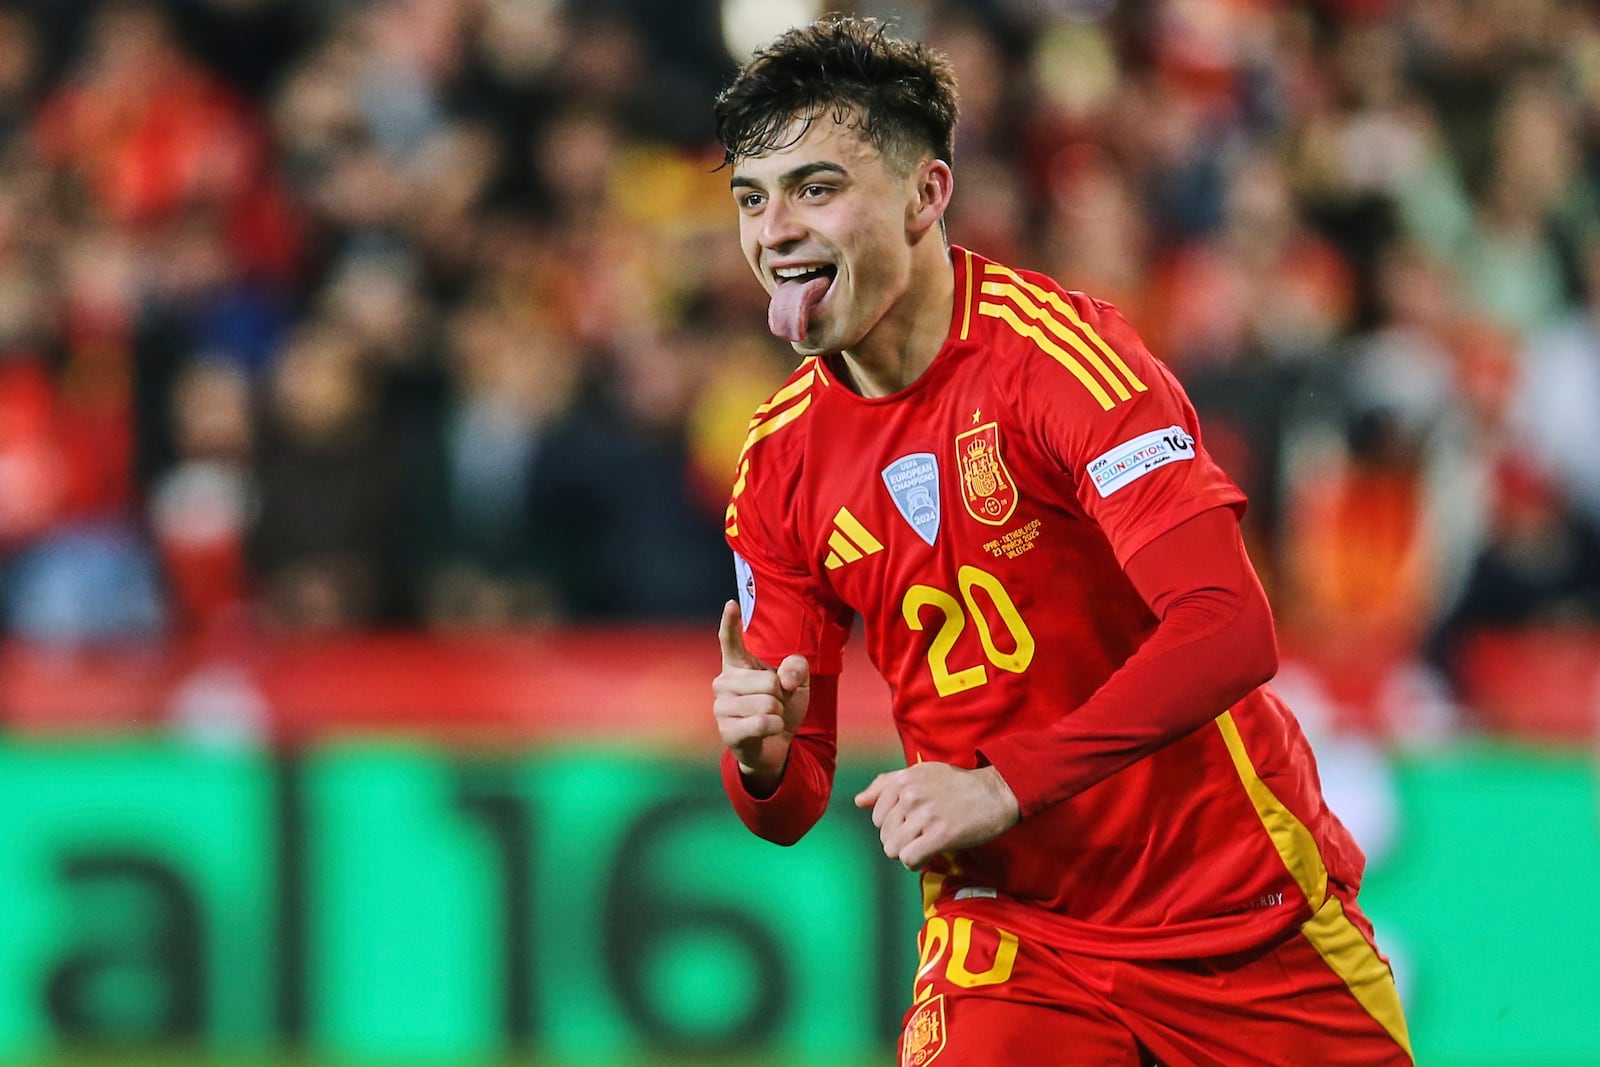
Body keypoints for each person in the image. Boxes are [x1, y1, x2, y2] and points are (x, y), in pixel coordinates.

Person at [708, 16, 1411, 1067]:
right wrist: (759, 756)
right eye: (752, 199)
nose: (775, 234)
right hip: (1011, 934)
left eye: (816, 189)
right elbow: (792, 798)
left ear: (925, 195)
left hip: (1235, 912)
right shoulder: (776, 464)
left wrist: (999, 780)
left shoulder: (1063, 365)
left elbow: (1227, 627)